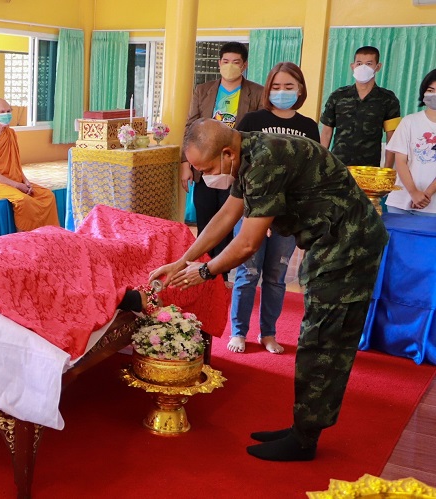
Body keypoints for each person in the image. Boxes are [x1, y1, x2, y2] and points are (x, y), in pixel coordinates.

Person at [150, 118, 388, 462]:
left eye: (207, 169)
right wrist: (182, 260)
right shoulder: (246, 152)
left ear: (227, 154)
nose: (205, 177)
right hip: (330, 242)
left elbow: (247, 243)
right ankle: (301, 428)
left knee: (324, 340)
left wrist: (204, 271)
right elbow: (226, 215)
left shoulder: (265, 160)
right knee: (317, 336)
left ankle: (304, 439)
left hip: (349, 246)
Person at [227, 62, 321, 355]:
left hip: (288, 216)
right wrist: (257, 212)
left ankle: (268, 333)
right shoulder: (252, 120)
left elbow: (311, 174)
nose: (282, 92)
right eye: (276, 87)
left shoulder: (309, 127)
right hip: (252, 212)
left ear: (300, 90)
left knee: (276, 277)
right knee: (247, 273)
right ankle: (239, 332)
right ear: (267, 90)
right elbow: (238, 166)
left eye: (289, 86)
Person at [180, 42, 264, 278]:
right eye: (225, 61)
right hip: (206, 166)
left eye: (236, 62)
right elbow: (190, 128)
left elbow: (259, 130)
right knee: (205, 220)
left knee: (227, 223)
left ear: (244, 65)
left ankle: (221, 274)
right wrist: (185, 163)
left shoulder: (257, 93)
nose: (230, 66)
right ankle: (199, 270)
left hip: (235, 166)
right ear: (219, 63)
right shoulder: (203, 90)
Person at [0, 98, 59, 231]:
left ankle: (46, 235)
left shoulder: (11, 133)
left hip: (15, 179)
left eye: (9, 111)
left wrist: (25, 181)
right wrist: (17, 185)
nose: (6, 114)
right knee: (23, 200)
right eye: (2, 112)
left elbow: (15, 164)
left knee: (48, 195)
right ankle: (24, 237)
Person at [320, 46, 401, 168]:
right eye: (359, 63)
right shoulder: (338, 96)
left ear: (378, 67)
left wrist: (387, 169)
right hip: (338, 166)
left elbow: (392, 136)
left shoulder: (388, 99)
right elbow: (326, 131)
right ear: (352, 66)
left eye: (369, 64)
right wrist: (321, 162)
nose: (363, 67)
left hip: (369, 168)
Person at [384, 68, 436, 217]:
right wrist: (413, 192)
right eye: (430, 90)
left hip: (432, 207)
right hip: (401, 201)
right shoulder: (409, 121)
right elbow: (400, 161)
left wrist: (427, 194)